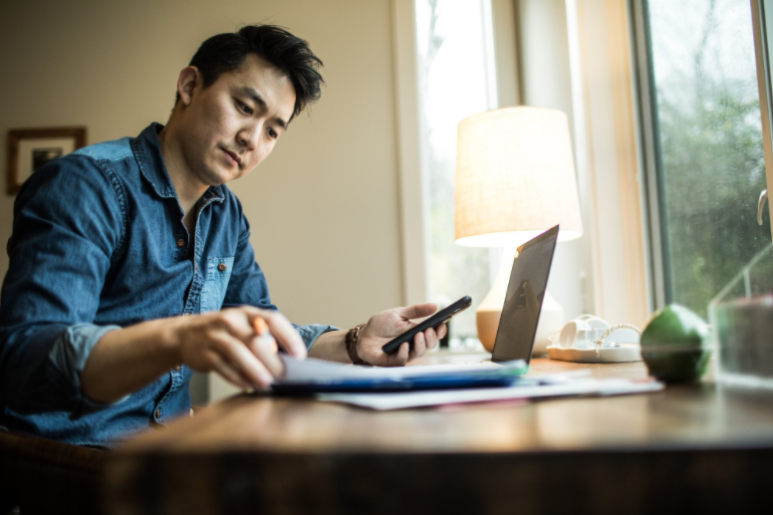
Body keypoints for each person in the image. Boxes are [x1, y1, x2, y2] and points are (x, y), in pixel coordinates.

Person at [0, 24, 445, 447]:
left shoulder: (226, 215)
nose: (252, 139)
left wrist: (358, 341)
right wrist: (176, 339)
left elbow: (263, 333)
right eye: (245, 108)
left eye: (273, 130)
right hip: (66, 463)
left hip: (168, 459)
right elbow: (26, 362)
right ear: (190, 86)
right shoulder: (85, 186)